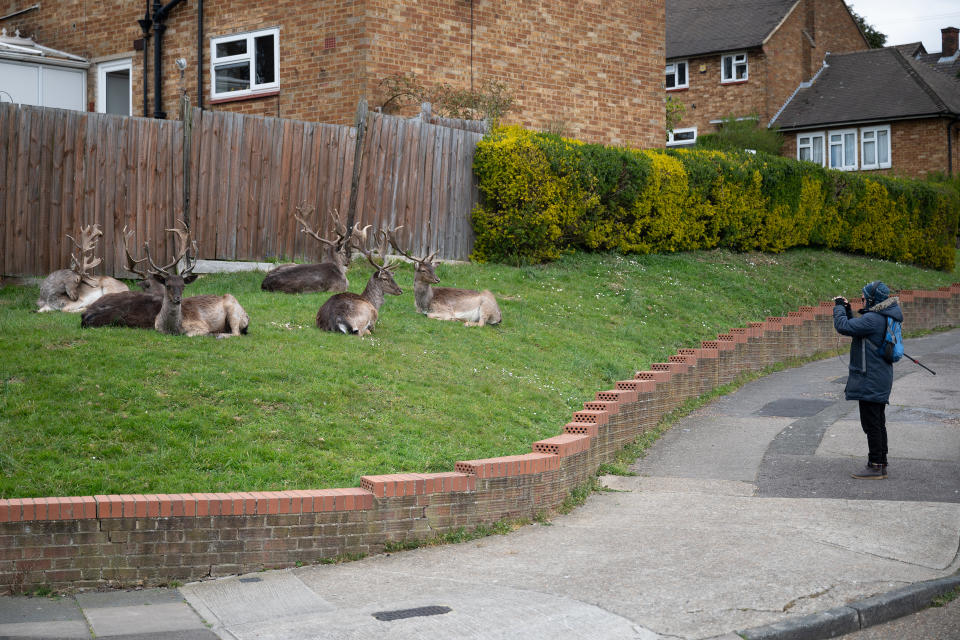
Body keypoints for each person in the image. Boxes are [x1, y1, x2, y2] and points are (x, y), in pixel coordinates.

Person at [833, 281, 903, 480]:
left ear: (872, 299)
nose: (861, 299)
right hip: (879, 377)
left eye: (863, 297)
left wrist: (838, 306)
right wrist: (847, 309)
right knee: (878, 422)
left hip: (872, 379)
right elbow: (854, 327)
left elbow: (843, 326)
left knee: (872, 423)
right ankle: (881, 463)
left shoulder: (873, 319)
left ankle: (875, 466)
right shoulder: (882, 316)